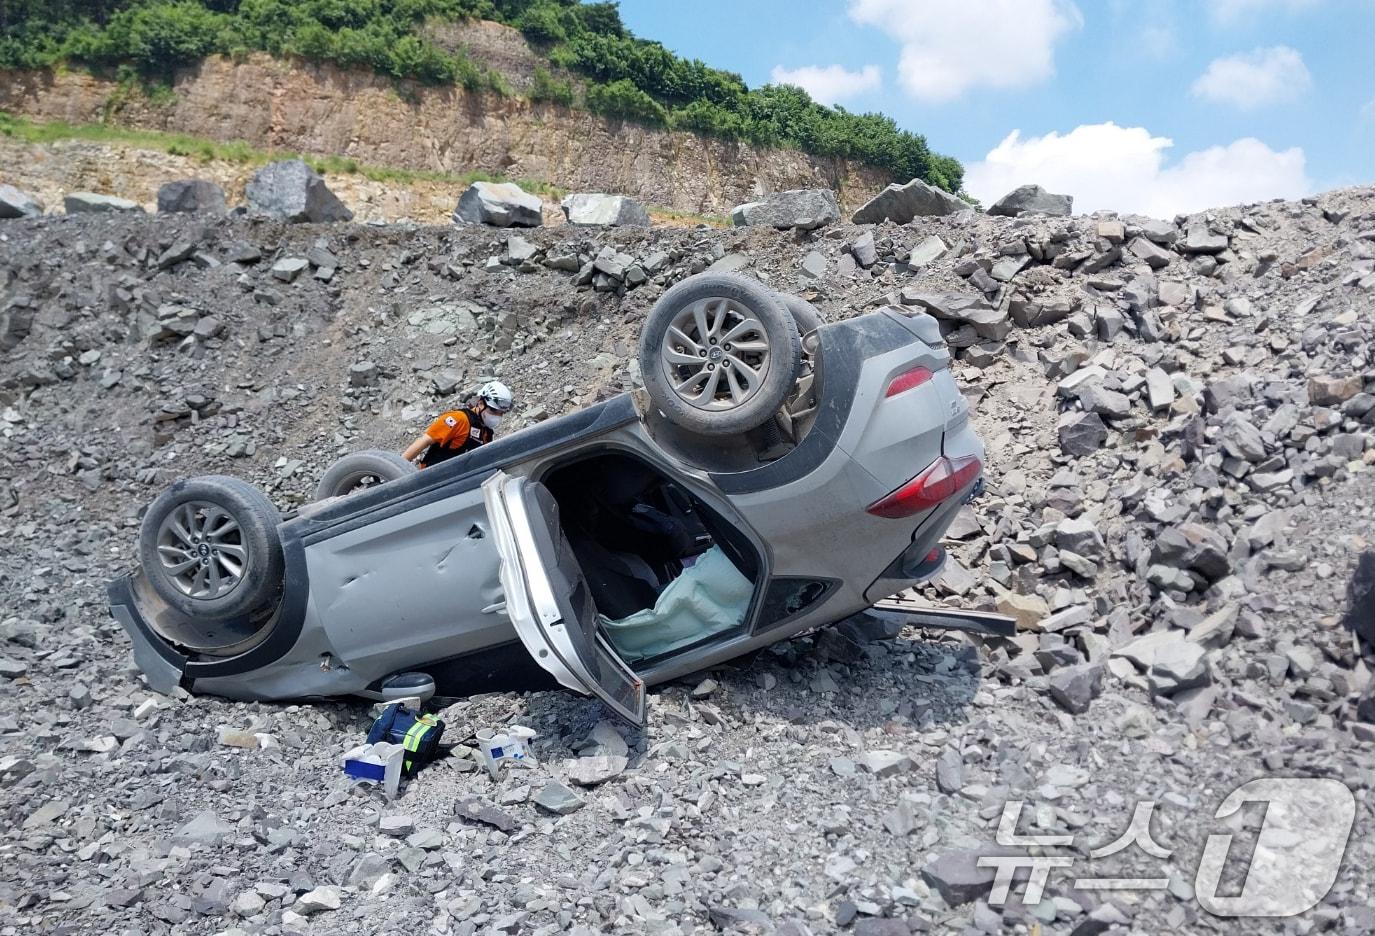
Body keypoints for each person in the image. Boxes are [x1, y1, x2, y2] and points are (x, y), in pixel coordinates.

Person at [402, 381, 513, 468]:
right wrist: (397, 469)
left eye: (501, 413)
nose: (497, 416)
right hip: (432, 479)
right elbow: (425, 440)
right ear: (480, 403)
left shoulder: (486, 433)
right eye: (493, 411)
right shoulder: (459, 419)